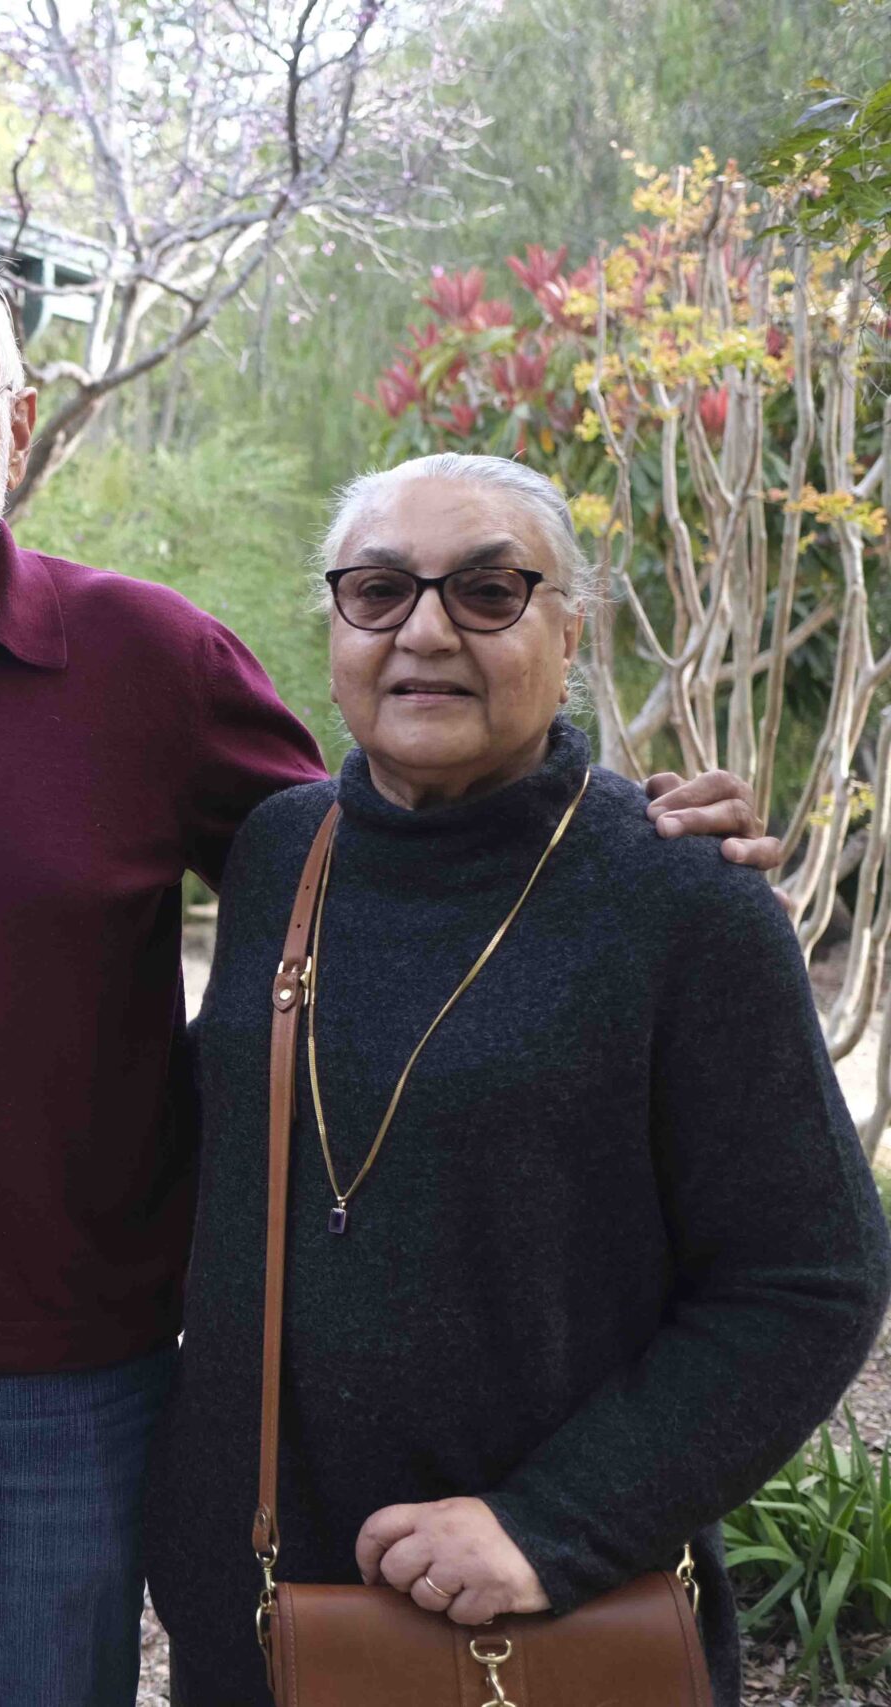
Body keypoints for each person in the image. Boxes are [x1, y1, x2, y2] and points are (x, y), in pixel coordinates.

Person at [0, 246, 783, 1707]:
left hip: (70, 1375)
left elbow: (376, 853)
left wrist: (610, 828)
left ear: (15, 425)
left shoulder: (151, 660)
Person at [142, 452, 891, 1705]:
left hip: (544, 1631)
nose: (425, 631)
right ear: (336, 622)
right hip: (258, 1618)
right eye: (378, 590)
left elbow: (809, 1279)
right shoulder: (282, 855)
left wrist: (551, 1524)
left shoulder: (679, 899)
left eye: (488, 592)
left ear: (569, 631)